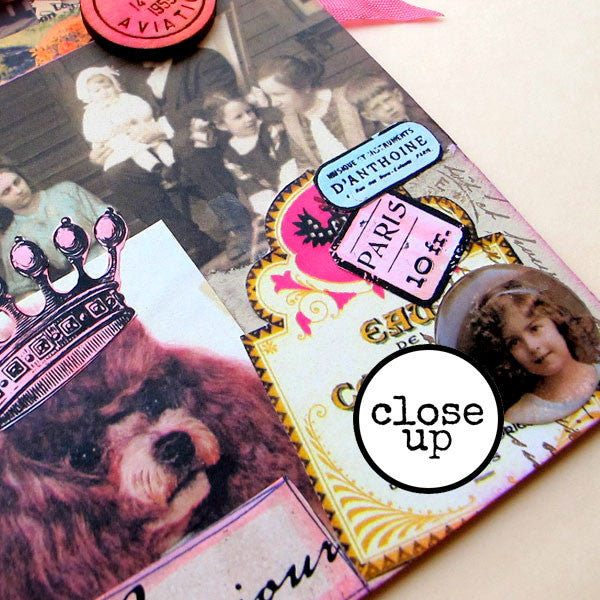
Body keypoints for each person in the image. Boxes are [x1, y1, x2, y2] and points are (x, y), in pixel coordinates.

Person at [118, 50, 254, 264]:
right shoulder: (144, 81)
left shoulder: (204, 60)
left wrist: (163, 126)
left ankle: (238, 225)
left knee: (189, 145)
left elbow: (215, 101)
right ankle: (192, 242)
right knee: (120, 174)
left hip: (211, 135)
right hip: (164, 147)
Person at [469, 280, 600, 424]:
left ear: (556, 321)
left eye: (534, 328)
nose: (531, 346)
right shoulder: (520, 416)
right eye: (514, 342)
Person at [0, 167, 107, 298]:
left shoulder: (66, 191)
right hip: (75, 288)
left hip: (108, 256)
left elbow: (110, 220)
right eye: (7, 192)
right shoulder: (12, 240)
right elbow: (24, 291)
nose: (18, 191)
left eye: (17, 182)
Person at [257, 55, 366, 172]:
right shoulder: (292, 123)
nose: (274, 103)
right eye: (269, 96)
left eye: (279, 94)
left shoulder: (348, 100)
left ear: (305, 86)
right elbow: (305, 167)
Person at [202, 91, 291, 218]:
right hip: (277, 200)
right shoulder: (231, 157)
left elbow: (289, 166)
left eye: (249, 111)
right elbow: (254, 190)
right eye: (238, 117)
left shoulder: (270, 130)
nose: (249, 118)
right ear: (222, 125)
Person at [76, 66, 176, 180]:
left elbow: (144, 109)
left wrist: (134, 117)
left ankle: (173, 162)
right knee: (136, 152)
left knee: (159, 144)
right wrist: (112, 129)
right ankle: (157, 168)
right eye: (97, 91)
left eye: (107, 87)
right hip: (120, 140)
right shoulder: (92, 112)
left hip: (140, 130)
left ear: (114, 85)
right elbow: (91, 133)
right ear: (88, 95)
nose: (104, 92)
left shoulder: (125, 98)